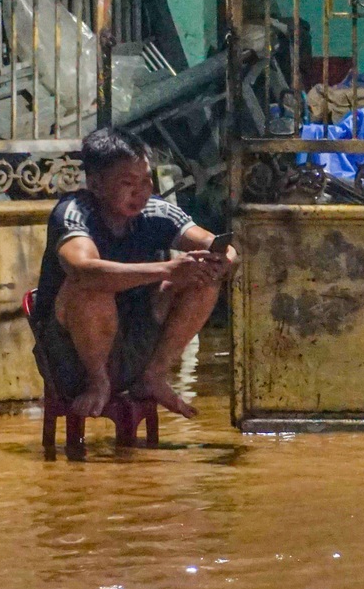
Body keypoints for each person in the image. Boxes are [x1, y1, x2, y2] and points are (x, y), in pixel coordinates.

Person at [30, 127, 236, 420]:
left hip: (135, 348)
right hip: (70, 360)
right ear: (97, 185)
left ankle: (153, 376)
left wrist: (223, 258)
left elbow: (217, 244)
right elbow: (83, 270)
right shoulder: (74, 213)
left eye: (146, 181)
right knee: (90, 288)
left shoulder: (156, 213)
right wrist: (166, 270)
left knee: (203, 277)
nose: (140, 192)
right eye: (128, 183)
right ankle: (97, 382)